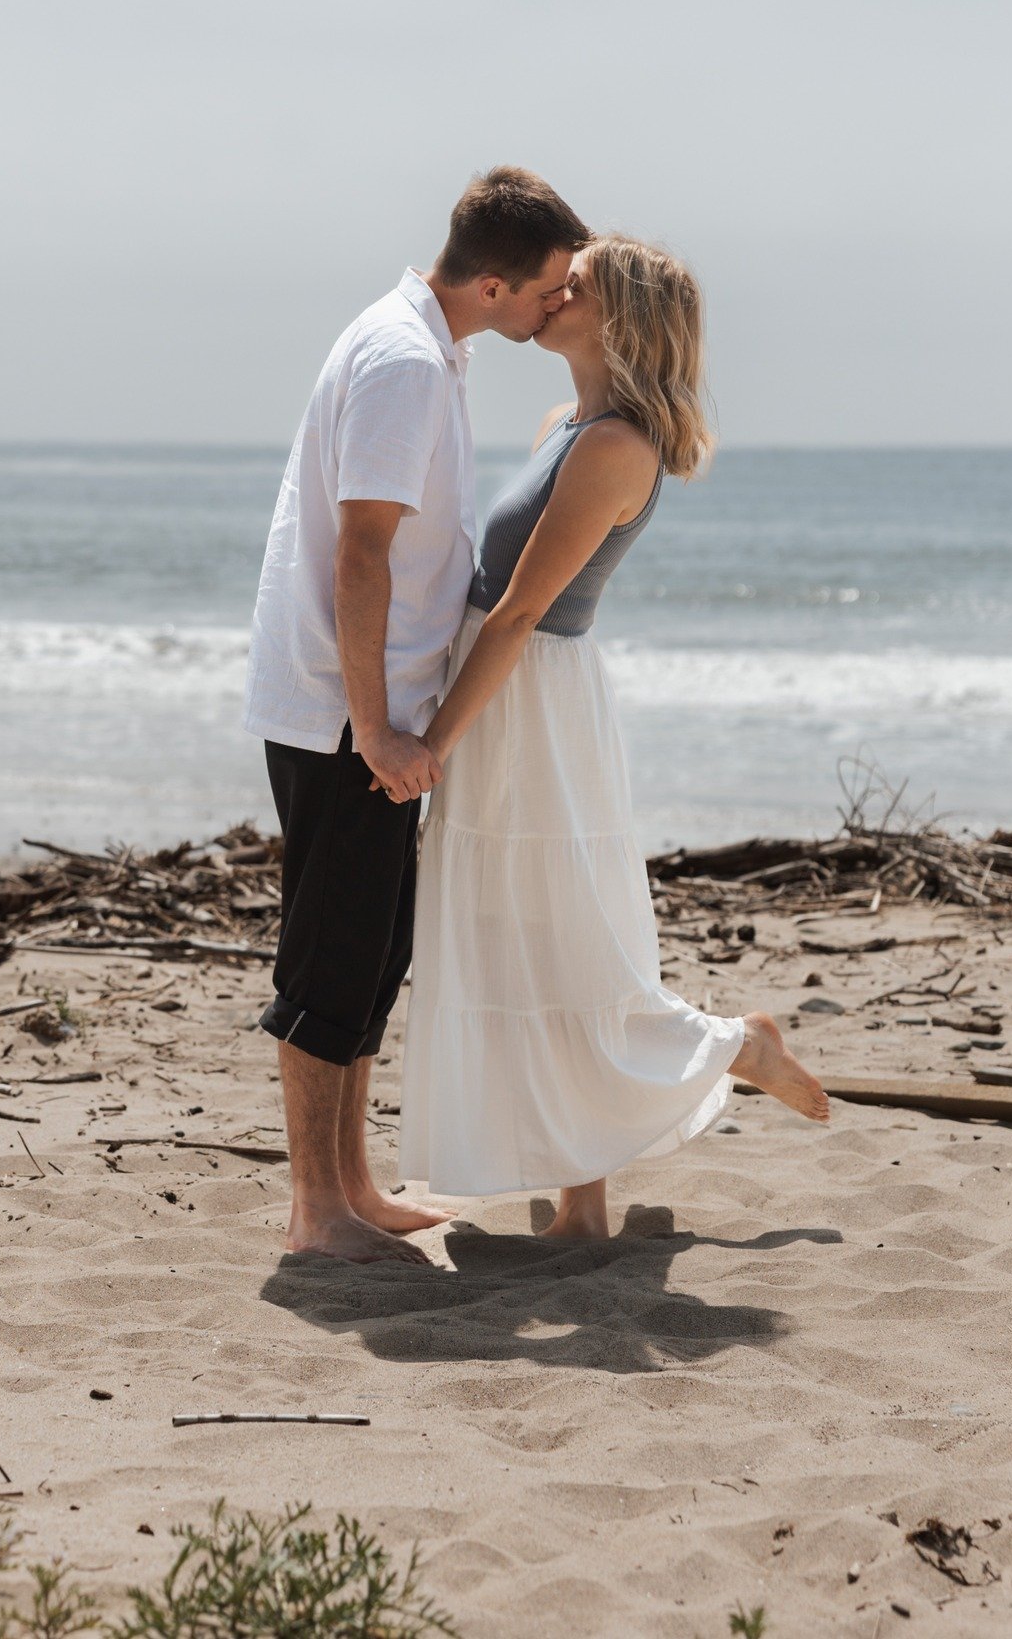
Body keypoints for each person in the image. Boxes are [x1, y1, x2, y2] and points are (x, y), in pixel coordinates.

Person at [396, 236, 830, 1238]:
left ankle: (734, 1045)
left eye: (574, 285)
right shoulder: (569, 422)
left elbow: (514, 613)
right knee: (521, 940)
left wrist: (433, 744)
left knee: (566, 945)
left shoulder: (615, 447)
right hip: (513, 695)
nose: (552, 292)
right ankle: (582, 1201)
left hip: (530, 705)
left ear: (617, 318)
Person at [242, 166, 591, 1263]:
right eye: (548, 289)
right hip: (348, 711)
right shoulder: (400, 359)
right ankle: (315, 1212)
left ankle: (351, 1186)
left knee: (374, 952)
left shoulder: (432, 348)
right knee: (330, 959)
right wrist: (380, 726)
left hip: (372, 705)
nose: (556, 307)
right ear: (495, 283)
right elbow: (361, 554)